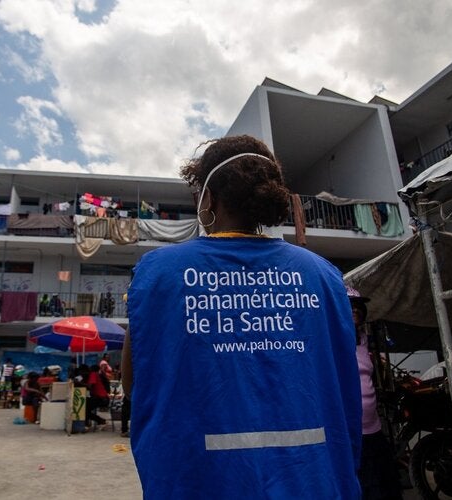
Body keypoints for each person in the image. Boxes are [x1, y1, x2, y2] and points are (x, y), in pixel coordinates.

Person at [122, 135, 361, 499]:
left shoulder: (158, 273)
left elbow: (135, 386)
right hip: (312, 479)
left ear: (209, 197)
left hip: (198, 480)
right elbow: (342, 383)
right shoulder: (324, 276)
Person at [347, 287, 402, 500]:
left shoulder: (362, 340)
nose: (356, 310)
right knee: (366, 486)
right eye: (350, 306)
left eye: (359, 306)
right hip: (351, 432)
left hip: (373, 429)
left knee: (386, 484)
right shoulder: (331, 339)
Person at [86, 362, 110, 431]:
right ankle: (97, 421)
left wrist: (80, 383)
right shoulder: (97, 374)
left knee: (85, 408)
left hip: (101, 398)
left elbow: (90, 386)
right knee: (86, 406)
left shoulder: (93, 374)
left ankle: (101, 421)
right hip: (102, 398)